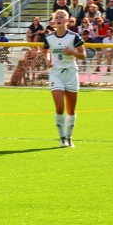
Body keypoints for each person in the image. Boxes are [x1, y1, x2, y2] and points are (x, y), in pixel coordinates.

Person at [41, 9, 86, 148]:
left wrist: (72, 52)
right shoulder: (49, 38)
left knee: (71, 109)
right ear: (54, 21)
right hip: (56, 73)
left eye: (62, 17)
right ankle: (61, 137)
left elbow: (83, 54)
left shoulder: (74, 37)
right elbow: (46, 52)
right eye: (56, 17)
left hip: (71, 73)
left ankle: (69, 137)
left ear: (67, 21)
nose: (59, 19)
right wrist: (47, 60)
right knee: (60, 106)